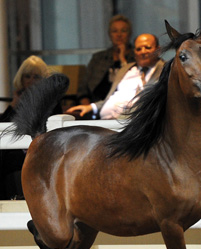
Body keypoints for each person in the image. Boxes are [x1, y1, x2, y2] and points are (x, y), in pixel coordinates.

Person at [0, 56, 58, 199]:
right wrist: (14, 104)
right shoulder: (19, 99)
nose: (31, 80)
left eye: (36, 77)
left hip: (42, 148)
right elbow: (3, 126)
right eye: (27, 76)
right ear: (21, 79)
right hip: (17, 150)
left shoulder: (52, 100)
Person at [67, 33, 164, 120]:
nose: (143, 52)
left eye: (147, 47)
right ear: (135, 53)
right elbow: (111, 98)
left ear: (158, 50)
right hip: (105, 122)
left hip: (137, 122)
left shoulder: (166, 70)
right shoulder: (126, 70)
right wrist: (91, 107)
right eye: (138, 49)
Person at [77, 14, 135, 108]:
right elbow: (83, 90)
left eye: (123, 31)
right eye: (114, 31)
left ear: (130, 34)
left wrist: (122, 59)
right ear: (109, 34)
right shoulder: (98, 58)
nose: (119, 35)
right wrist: (88, 108)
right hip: (94, 107)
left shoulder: (137, 57)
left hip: (125, 107)